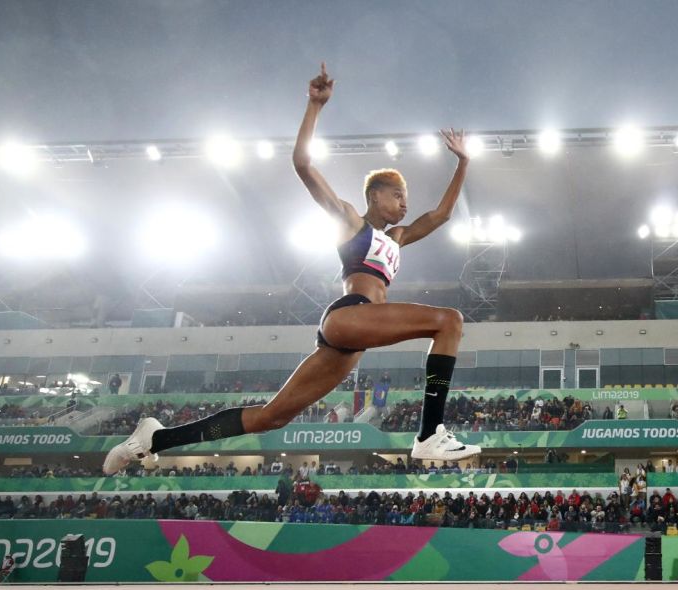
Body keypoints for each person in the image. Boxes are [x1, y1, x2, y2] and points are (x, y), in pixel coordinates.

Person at [103, 64, 479, 475]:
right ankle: (429, 434)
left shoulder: (399, 237)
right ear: (373, 196)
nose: (405, 203)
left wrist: (463, 162)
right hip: (349, 316)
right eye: (397, 195)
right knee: (449, 321)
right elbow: (303, 165)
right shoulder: (351, 220)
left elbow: (441, 215)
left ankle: (155, 438)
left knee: (272, 416)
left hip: (350, 342)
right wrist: (314, 106)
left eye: (406, 197)